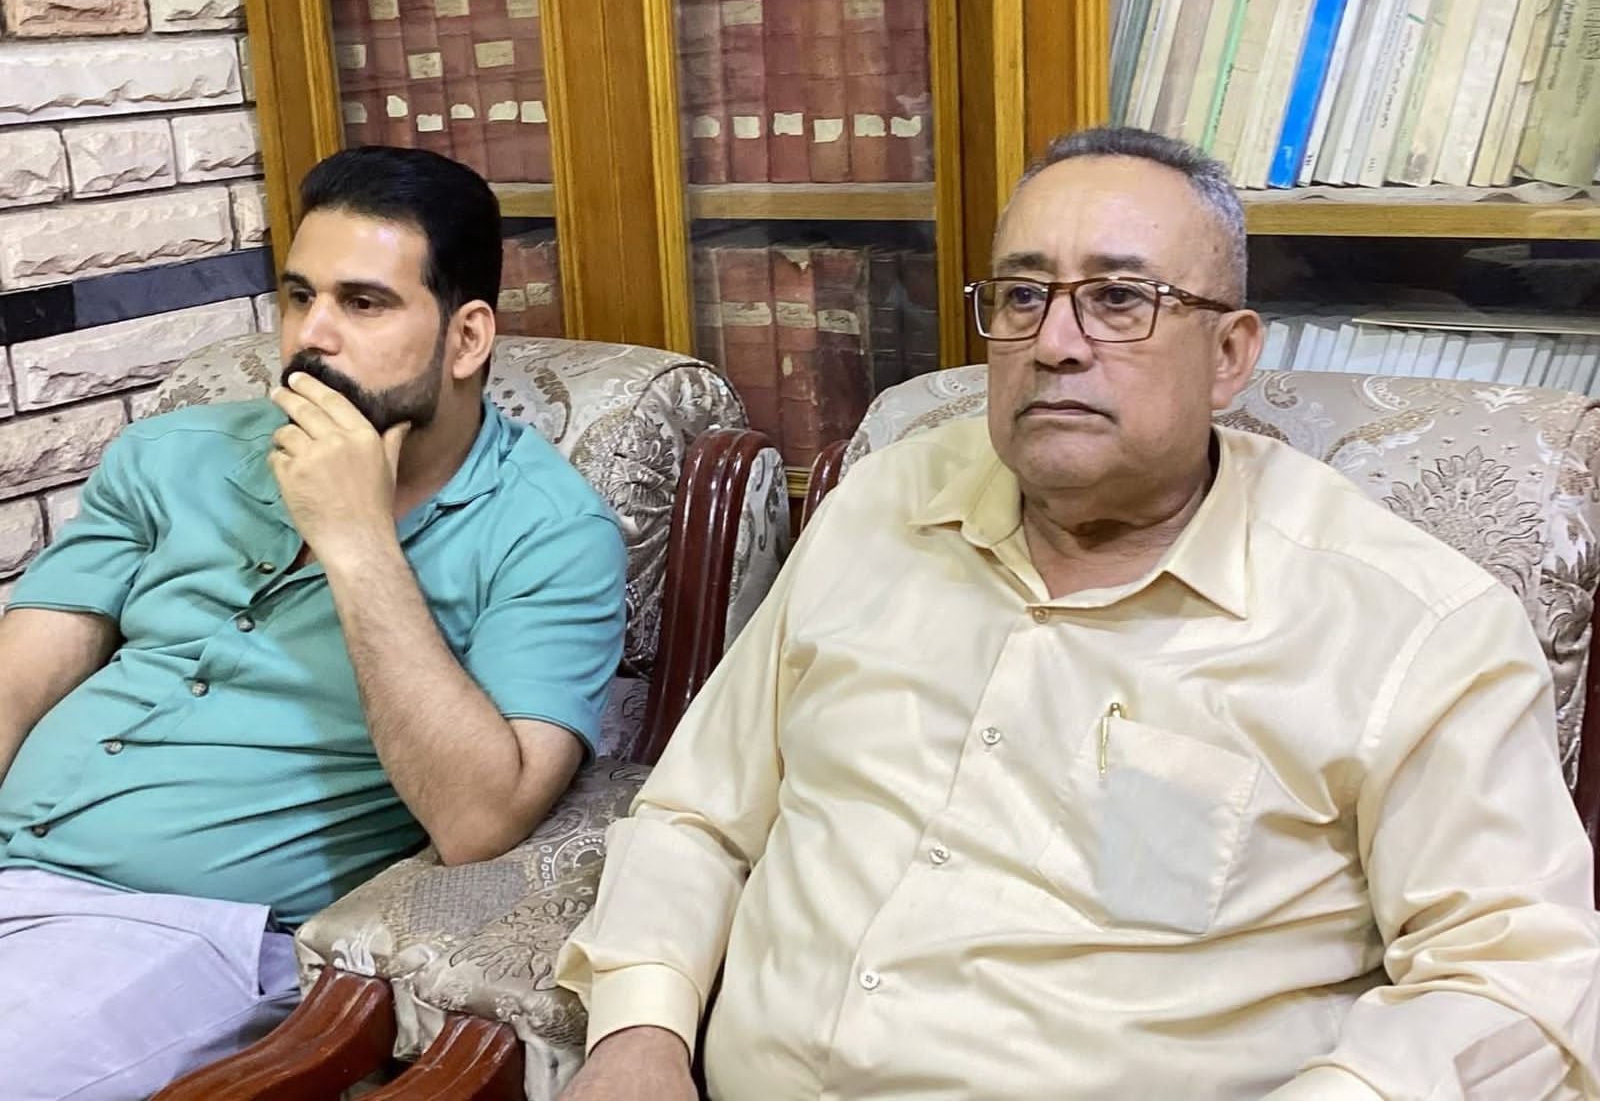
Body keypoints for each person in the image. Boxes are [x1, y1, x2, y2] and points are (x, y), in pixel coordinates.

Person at [554, 126, 1600, 1100]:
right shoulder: (878, 506)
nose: (1054, 341)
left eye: (1118, 298)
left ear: (1230, 355)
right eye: (1022, 295)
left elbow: (1516, 983)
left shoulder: (1409, 628)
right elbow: (697, 815)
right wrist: (637, 1036)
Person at [0, 146, 628, 1100]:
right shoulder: (168, 456)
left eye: (364, 303)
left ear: (466, 338)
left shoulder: (552, 534)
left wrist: (358, 540)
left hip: (173, 931)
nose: (312, 337)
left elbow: (479, 820)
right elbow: (19, 679)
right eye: (300, 297)